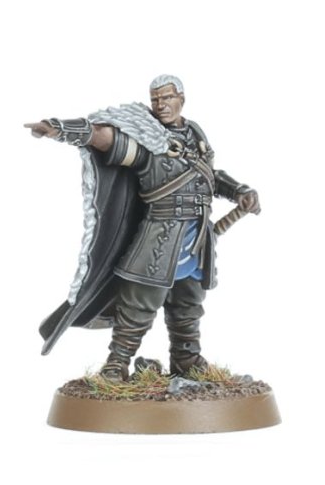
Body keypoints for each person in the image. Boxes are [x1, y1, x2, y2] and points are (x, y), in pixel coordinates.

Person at [28, 75, 260, 381]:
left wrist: (239, 191)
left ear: (181, 99)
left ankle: (186, 359)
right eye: (155, 99)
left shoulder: (194, 134)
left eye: (167, 98)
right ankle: (117, 363)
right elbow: (106, 139)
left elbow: (208, 176)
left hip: (197, 240)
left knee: (188, 306)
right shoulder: (148, 141)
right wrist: (62, 129)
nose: (161, 105)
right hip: (158, 241)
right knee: (138, 308)